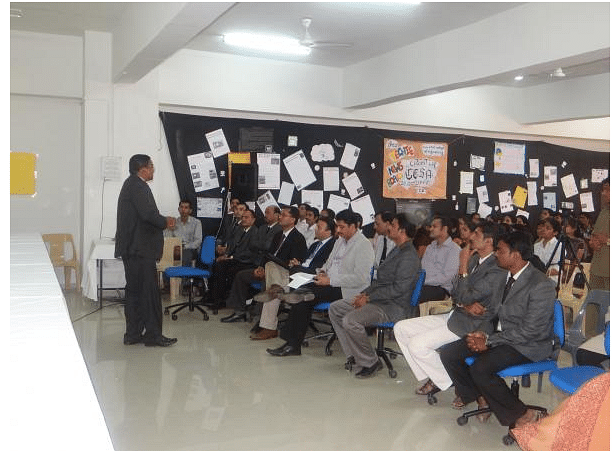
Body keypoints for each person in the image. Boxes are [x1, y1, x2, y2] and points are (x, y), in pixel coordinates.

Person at [440, 231, 556, 428]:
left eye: (500, 251)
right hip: (499, 335)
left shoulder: (541, 285)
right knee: (449, 354)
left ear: (515, 255)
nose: (495, 254)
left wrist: (489, 341)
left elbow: (531, 330)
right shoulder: (503, 277)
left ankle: (523, 414)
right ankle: (482, 397)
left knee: (481, 368)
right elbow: (493, 312)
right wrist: (481, 333)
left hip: (528, 344)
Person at [394, 222, 507, 401]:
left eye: (476, 234)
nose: (471, 237)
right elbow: (454, 292)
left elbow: (467, 295)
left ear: (489, 241)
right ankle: (445, 378)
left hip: (473, 323)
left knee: (417, 345)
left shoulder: (496, 267)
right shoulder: (474, 259)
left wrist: (462, 267)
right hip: (457, 314)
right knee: (400, 328)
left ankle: (451, 382)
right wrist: (464, 303)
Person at [266, 210, 374, 357]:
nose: (338, 230)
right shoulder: (340, 241)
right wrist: (322, 272)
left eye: (342, 227)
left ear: (354, 226)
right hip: (329, 283)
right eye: (337, 226)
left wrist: (330, 280)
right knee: (300, 291)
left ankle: (293, 344)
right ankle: (290, 342)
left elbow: (360, 278)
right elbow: (328, 264)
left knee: (305, 297)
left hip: (346, 288)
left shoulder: (364, 245)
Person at [329, 213, 420, 378]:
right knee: (336, 308)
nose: (389, 227)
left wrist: (369, 298)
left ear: (402, 230)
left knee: (351, 320)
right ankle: (354, 355)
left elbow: (398, 289)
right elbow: (380, 281)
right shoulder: (397, 249)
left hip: (393, 306)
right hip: (379, 300)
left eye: (393, 225)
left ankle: (370, 362)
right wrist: (363, 294)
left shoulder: (409, 256)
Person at [115, 154, 177, 347]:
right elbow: (148, 214)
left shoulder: (131, 184)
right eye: (151, 166)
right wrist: (165, 221)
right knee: (149, 294)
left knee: (135, 293)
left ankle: (133, 334)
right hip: (140, 250)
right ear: (143, 169)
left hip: (133, 250)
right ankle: (153, 335)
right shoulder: (138, 186)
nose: (153, 170)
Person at [250, 217, 336, 340]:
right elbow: (305, 261)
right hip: (298, 273)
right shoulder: (315, 244)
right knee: (270, 265)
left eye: (319, 227)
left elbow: (322, 269)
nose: (315, 229)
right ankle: (276, 288)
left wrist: (300, 268)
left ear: (329, 231)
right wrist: (297, 263)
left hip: (310, 278)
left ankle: (269, 326)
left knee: (274, 289)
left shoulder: (333, 246)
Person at [220, 206, 307, 323]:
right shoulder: (278, 235)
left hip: (281, 274)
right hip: (267, 268)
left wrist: (270, 270)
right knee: (241, 275)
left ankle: (262, 318)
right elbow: (268, 254)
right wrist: (261, 267)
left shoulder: (298, 239)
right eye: (280, 214)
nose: (280, 217)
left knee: (267, 282)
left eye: (284, 215)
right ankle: (239, 312)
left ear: (293, 220)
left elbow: (293, 264)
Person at [210, 208, 259, 306]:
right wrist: (226, 255)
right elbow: (232, 246)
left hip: (246, 261)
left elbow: (249, 252)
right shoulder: (239, 230)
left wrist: (231, 257)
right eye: (243, 217)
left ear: (253, 220)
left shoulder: (255, 232)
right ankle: (213, 296)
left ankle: (222, 299)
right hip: (235, 259)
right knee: (217, 264)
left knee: (227, 269)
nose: (243, 219)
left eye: (246, 217)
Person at [419, 216, 461, 303]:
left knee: (415, 294)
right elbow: (422, 268)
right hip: (424, 284)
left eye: (434, 226)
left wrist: (424, 282)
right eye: (431, 226)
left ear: (444, 229)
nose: (431, 229)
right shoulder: (430, 247)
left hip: (442, 288)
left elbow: (447, 277)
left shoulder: (454, 249)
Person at [164, 200, 202, 266]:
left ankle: (183, 272)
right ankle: (167, 271)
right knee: (165, 252)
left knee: (185, 253)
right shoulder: (175, 222)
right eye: (181, 207)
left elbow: (198, 241)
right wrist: (168, 228)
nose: (183, 210)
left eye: (186, 208)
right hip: (176, 249)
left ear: (190, 211)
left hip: (191, 249)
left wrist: (184, 246)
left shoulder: (196, 223)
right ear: (178, 209)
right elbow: (167, 238)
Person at [589, 177, 610, 290]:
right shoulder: (604, 212)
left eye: (607, 190)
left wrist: (607, 241)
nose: (603, 193)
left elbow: (604, 239)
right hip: (597, 269)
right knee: (593, 300)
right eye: (603, 190)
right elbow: (594, 235)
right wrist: (592, 242)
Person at [372, 211, 396, 278]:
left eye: (377, 224)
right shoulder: (378, 237)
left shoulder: (397, 242)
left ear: (387, 224)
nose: (374, 227)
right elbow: (375, 262)